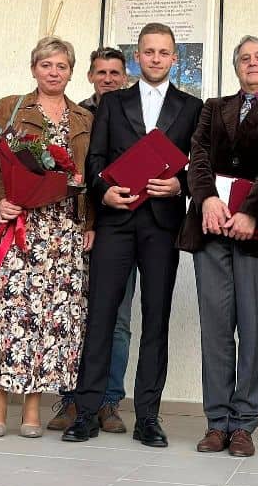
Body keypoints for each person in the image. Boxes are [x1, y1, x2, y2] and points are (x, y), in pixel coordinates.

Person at [63, 23, 202, 447]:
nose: (156, 58)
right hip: (117, 222)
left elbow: (201, 167)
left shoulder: (192, 107)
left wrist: (182, 186)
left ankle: (148, 417)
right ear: (135, 58)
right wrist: (105, 191)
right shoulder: (113, 103)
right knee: (101, 315)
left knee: (155, 319)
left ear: (174, 58)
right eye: (148, 51)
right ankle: (86, 411)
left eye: (164, 52)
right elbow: (95, 160)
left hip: (162, 225)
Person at [0, 37, 94, 438]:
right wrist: (0, 199)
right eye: (46, 65)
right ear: (34, 68)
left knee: (52, 317)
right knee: (8, 313)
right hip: (18, 224)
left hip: (63, 231)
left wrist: (89, 220)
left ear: (71, 72)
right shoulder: (12, 106)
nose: (53, 72)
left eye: (61, 66)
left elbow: (91, 174)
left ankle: (34, 406)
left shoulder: (84, 119)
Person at [178, 36, 258, 457]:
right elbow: (198, 157)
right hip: (210, 228)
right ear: (235, 67)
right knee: (215, 329)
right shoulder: (212, 107)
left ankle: (244, 424)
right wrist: (207, 198)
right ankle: (216, 423)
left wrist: (250, 212)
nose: (252, 63)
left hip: (255, 234)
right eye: (244, 58)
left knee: (252, 327)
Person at [49, 47, 137, 434]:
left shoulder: (137, 113)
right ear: (89, 76)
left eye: (115, 72)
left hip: (122, 228)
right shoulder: (75, 115)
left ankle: (109, 402)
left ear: (125, 76)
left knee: (117, 319)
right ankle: (71, 400)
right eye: (100, 72)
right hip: (75, 228)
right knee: (74, 316)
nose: (108, 78)